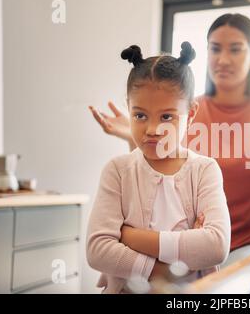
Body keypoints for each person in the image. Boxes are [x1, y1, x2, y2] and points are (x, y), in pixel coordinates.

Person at [89, 13, 250, 267]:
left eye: (235, 49)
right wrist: (135, 137)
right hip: (179, 245)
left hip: (246, 247)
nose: (223, 59)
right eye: (215, 49)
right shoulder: (177, 112)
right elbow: (149, 186)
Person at [86, 42, 231, 294]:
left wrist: (130, 237)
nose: (153, 129)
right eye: (140, 115)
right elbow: (98, 250)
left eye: (166, 117)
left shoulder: (205, 170)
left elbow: (216, 246)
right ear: (128, 108)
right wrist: (159, 271)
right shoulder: (118, 171)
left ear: (192, 112)